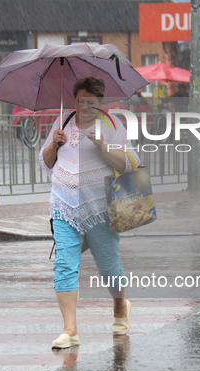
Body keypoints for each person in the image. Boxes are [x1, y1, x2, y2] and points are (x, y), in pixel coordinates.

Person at [39, 77, 139, 349]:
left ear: (100, 102)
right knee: (64, 265)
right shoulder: (63, 123)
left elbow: (131, 162)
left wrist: (103, 147)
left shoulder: (111, 125)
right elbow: (46, 162)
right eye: (81, 101)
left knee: (108, 267)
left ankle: (120, 306)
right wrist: (54, 145)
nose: (85, 107)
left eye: (92, 102)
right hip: (63, 206)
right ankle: (70, 330)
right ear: (75, 100)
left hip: (99, 209)